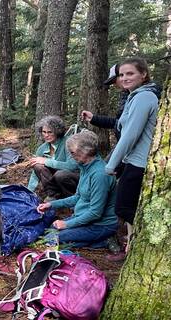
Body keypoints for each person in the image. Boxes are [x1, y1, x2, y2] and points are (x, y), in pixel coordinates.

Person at [105, 57, 159, 261]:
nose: (124, 78)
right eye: (121, 75)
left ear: (143, 74)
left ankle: (149, 242)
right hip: (132, 160)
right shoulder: (134, 97)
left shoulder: (144, 97)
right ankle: (132, 247)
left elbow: (131, 135)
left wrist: (111, 164)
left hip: (140, 162)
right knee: (131, 206)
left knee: (124, 207)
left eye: (130, 73)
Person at [37, 131, 118, 248]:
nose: (71, 155)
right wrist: (51, 204)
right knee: (50, 232)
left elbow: (95, 213)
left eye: (73, 152)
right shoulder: (85, 168)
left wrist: (66, 224)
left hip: (100, 225)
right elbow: (78, 197)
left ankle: (104, 241)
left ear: (86, 151)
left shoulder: (100, 175)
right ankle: (97, 241)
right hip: (84, 218)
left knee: (53, 239)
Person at [27, 116, 79, 201]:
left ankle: (72, 198)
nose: (46, 135)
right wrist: (29, 191)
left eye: (50, 132)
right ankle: (53, 194)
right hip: (57, 180)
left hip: (73, 178)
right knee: (37, 166)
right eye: (44, 132)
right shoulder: (42, 148)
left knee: (60, 174)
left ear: (57, 132)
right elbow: (35, 174)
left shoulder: (68, 143)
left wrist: (47, 161)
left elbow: (73, 166)